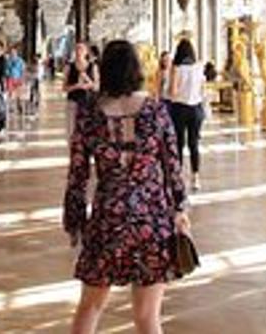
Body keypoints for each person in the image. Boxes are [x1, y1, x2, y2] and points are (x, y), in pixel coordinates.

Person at [63, 40, 190, 334]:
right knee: (148, 318)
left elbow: (78, 175)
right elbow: (173, 166)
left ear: (105, 71)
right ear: (136, 70)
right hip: (152, 218)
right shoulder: (156, 111)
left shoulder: (90, 114)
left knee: (90, 308)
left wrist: (75, 221)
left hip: (109, 219)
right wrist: (180, 208)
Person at [168, 39, 206, 192]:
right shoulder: (199, 68)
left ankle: (178, 177)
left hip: (179, 108)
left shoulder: (176, 69)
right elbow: (203, 90)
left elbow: (172, 91)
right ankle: (196, 177)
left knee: (178, 143)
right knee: (194, 143)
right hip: (196, 108)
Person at [63, 42, 98, 136]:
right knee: (71, 129)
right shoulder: (69, 67)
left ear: (86, 52)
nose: (79, 52)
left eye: (81, 49)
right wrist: (76, 86)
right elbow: (64, 88)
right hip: (73, 101)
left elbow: (96, 86)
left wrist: (86, 79)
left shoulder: (92, 66)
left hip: (89, 102)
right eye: (77, 49)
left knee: (88, 129)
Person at [5, 47, 26, 118]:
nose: (12, 54)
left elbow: (23, 70)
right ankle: (10, 107)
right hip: (10, 78)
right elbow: (6, 70)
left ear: (16, 53)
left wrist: (22, 79)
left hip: (18, 78)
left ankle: (19, 106)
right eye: (11, 52)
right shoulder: (8, 61)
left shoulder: (20, 61)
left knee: (19, 94)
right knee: (10, 94)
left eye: (14, 52)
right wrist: (7, 75)